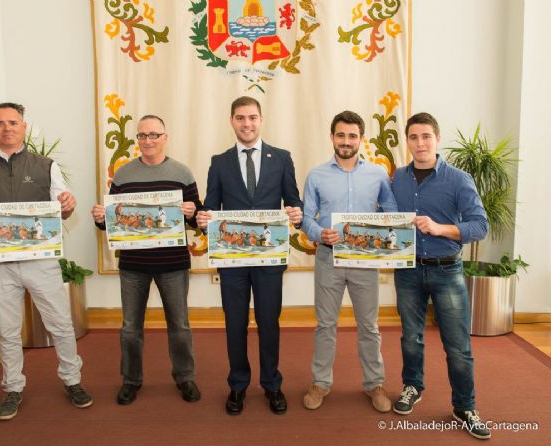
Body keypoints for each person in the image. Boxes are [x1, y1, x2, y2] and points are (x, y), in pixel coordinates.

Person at [0, 102, 92, 421]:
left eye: (13, 122)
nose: (7, 128)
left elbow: (64, 209)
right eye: (0, 123)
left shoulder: (46, 166)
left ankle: (72, 381)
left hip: (41, 261)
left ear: (24, 126)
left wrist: (68, 205)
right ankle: (13, 388)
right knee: (8, 330)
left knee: (61, 324)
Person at [196, 96, 303, 415]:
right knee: (235, 324)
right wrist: (203, 217)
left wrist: (296, 213)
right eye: (241, 118)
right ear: (232, 121)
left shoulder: (281, 158)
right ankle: (238, 385)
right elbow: (211, 205)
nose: (247, 123)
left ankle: (272, 384)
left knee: (269, 323)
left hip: (269, 260)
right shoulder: (219, 162)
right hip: (233, 262)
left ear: (261, 119)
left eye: (252, 117)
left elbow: (293, 200)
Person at [391, 112, 490, 440]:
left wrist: (439, 228)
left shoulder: (459, 179)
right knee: (411, 337)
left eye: (426, 136)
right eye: (414, 137)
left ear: (437, 139)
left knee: (458, 346)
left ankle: (465, 406)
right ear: (407, 141)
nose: (420, 143)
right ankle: (412, 386)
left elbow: (480, 225)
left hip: (447, 270)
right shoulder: (397, 178)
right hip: (408, 270)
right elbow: (386, 218)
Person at [92, 115, 202, 406]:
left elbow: (198, 218)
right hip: (133, 264)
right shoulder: (123, 174)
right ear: (137, 140)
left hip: (173, 263)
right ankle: (131, 380)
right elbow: (112, 222)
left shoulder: (182, 172)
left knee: (179, 325)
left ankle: (185, 377)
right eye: (142, 135)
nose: (148, 140)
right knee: (130, 327)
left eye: (154, 134)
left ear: (165, 137)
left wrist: (192, 212)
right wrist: (101, 218)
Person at [301, 111, 398, 413]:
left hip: (364, 261)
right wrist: (319, 233)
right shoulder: (316, 175)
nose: (346, 141)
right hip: (328, 257)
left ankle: (375, 384)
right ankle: (320, 382)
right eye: (341, 135)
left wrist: (374, 230)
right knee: (325, 324)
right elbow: (306, 218)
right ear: (332, 137)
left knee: (369, 325)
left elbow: (391, 213)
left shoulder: (378, 175)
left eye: (352, 136)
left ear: (361, 139)